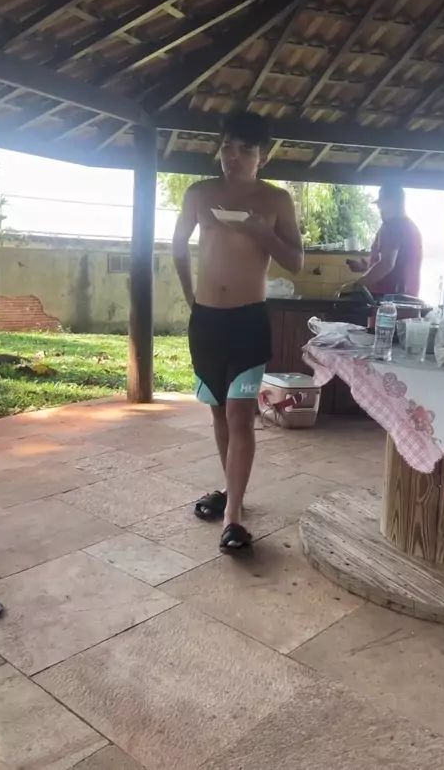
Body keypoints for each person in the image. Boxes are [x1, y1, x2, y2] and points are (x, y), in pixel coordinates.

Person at [172, 111, 303, 554]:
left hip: (248, 322)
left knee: (240, 415)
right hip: (206, 322)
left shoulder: (277, 200)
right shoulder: (199, 193)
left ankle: (232, 518)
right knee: (218, 414)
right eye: (228, 146)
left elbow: (296, 262)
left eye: (246, 149)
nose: (233, 156)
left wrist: (261, 232)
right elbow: (178, 246)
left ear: (262, 156)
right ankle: (233, 493)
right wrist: (191, 298)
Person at [341, 184, 422, 297]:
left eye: (381, 204)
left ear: (391, 203)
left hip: (388, 300)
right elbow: (398, 264)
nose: (380, 210)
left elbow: (387, 264)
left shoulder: (392, 226)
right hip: (408, 299)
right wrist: (366, 267)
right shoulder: (411, 227)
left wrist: (356, 285)